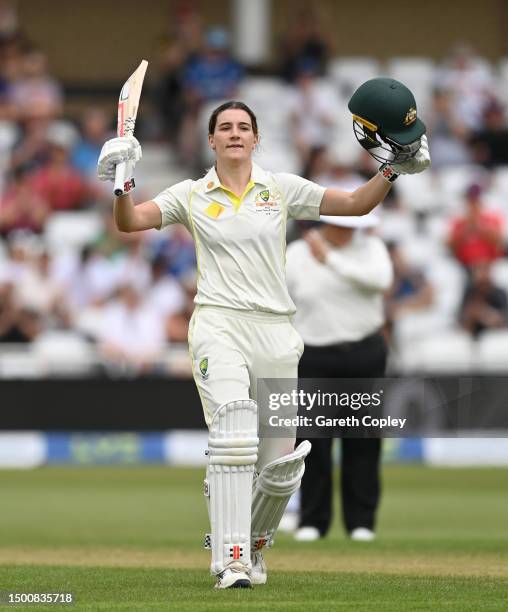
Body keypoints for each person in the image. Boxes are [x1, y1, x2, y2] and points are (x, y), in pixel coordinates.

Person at [97, 83, 430, 589]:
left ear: (256, 139)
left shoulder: (281, 189)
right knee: (233, 433)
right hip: (219, 323)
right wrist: (123, 183)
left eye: (243, 128)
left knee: (279, 465)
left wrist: (390, 169)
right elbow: (130, 222)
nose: (234, 134)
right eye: (225, 128)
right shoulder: (190, 193)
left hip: (275, 331)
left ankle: (251, 548)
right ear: (211, 141)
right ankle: (229, 560)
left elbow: (357, 205)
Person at [286, 212, 393, 542]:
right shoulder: (295, 254)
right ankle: (312, 521)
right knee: (312, 441)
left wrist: (329, 259)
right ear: (325, 224)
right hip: (315, 355)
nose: (350, 233)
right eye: (343, 226)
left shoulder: (371, 248)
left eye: (354, 227)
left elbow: (380, 281)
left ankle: (361, 522)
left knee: (362, 439)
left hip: (364, 352)